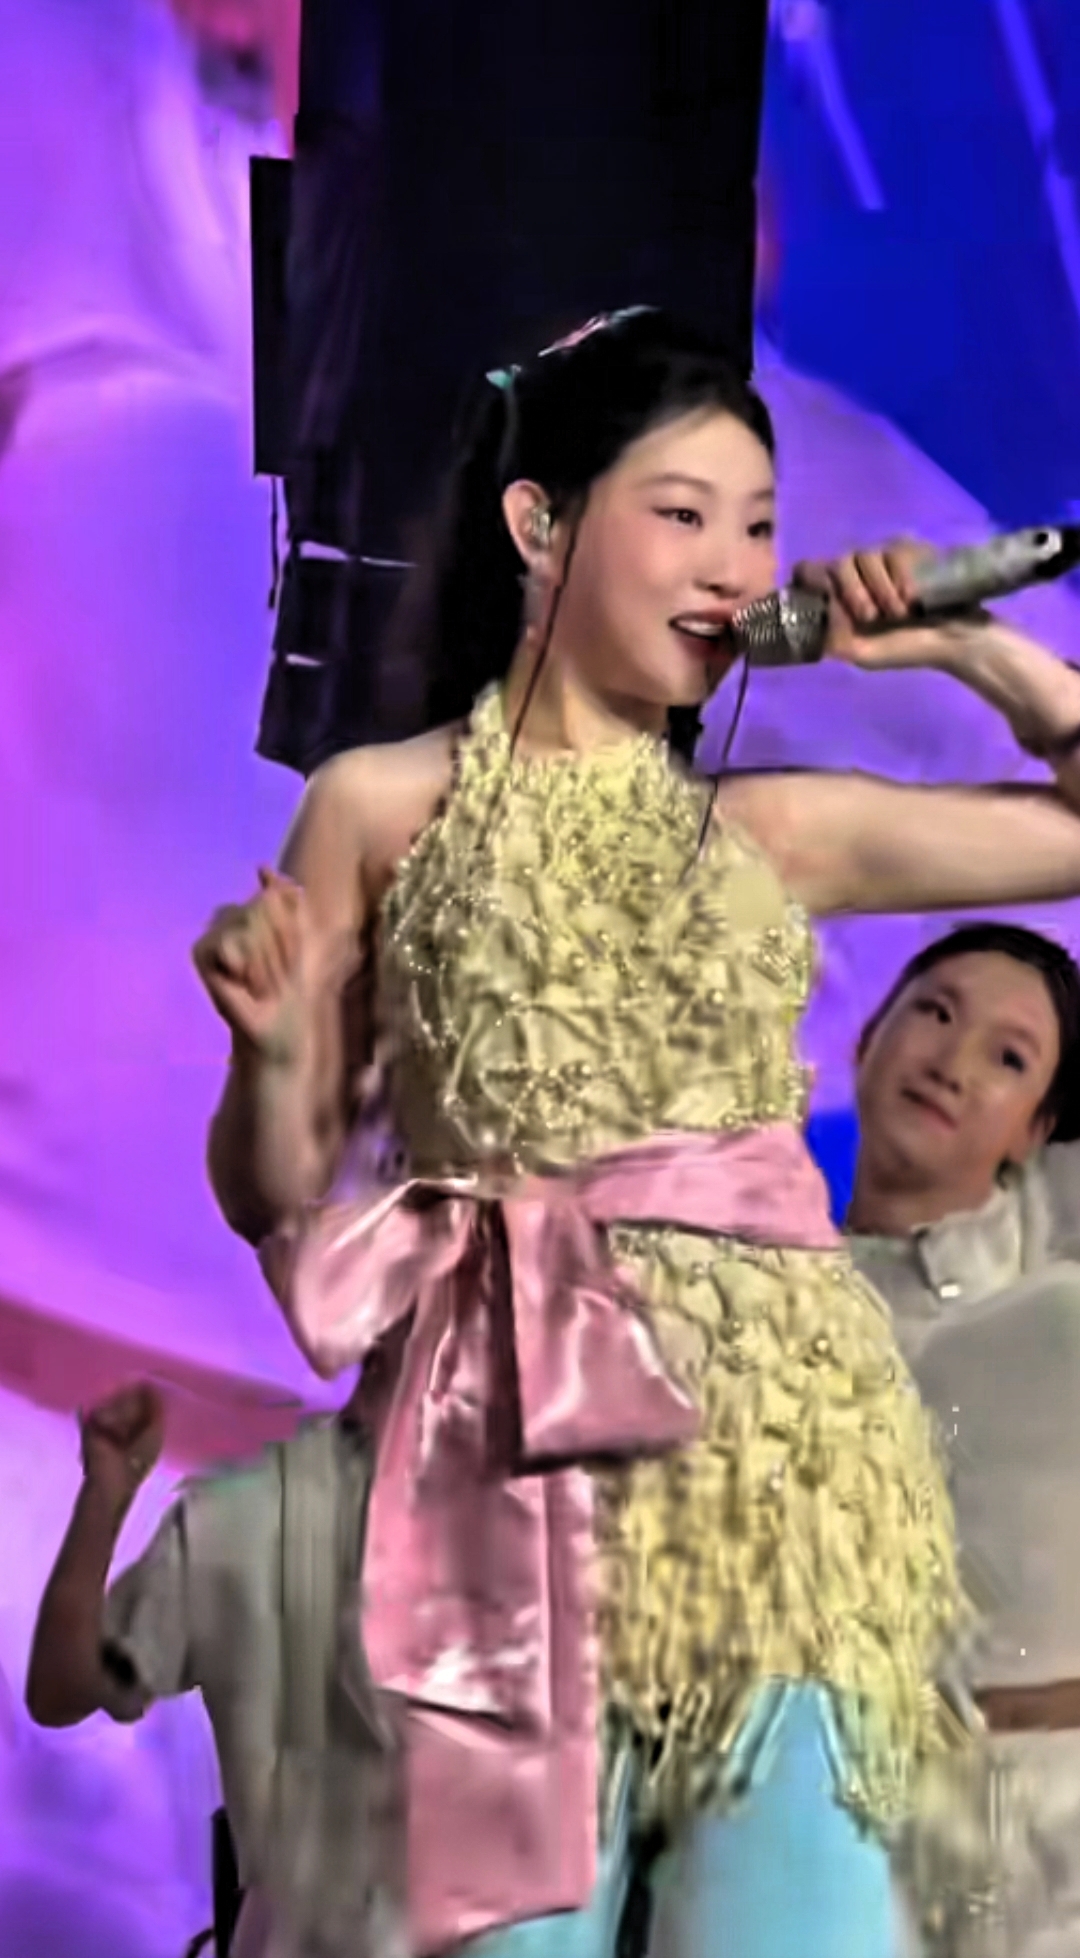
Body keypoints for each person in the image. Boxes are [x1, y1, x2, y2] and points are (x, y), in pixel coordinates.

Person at [182, 304, 1080, 1958]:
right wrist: (274, 1047)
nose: (732, 567)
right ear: (540, 522)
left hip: (785, 1481)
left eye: (757, 526)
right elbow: (279, 1189)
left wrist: (968, 652)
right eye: (683, 514)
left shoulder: (774, 826)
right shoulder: (378, 806)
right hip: (509, 1474)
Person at [849, 923, 1080, 1955]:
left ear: (1040, 1128)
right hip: (870, 1848)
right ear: (866, 1039)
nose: (952, 1061)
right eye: (935, 1012)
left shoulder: (1058, 1247)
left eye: (1008, 1057)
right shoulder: (757, 1295)